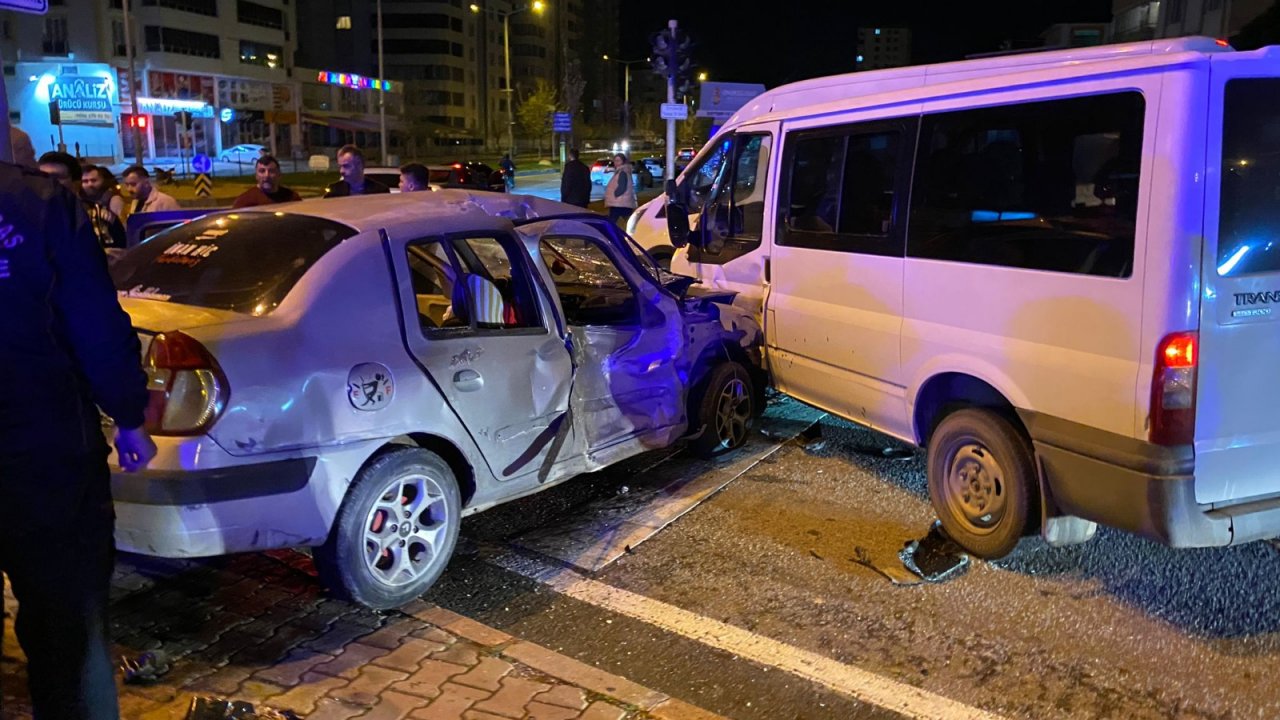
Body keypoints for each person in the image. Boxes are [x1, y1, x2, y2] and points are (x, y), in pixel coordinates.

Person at [0, 155, 156, 720]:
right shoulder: (37, 203)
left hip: (40, 444)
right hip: (42, 448)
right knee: (68, 622)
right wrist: (129, 415)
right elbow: (91, 318)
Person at [41, 154, 127, 251]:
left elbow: (120, 251)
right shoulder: (28, 218)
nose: (48, 181)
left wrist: (102, 255)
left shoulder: (100, 217)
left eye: (57, 177)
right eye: (42, 176)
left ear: (76, 182)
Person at [232, 154, 302, 208]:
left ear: (279, 175)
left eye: (271, 171)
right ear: (256, 175)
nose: (267, 175)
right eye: (262, 171)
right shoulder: (244, 201)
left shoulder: (291, 198)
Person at [324, 145, 390, 197]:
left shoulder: (380, 191)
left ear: (359, 165)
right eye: (340, 166)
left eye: (346, 166)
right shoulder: (334, 191)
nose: (341, 171)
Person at [603, 152, 638, 226]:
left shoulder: (622, 172)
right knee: (629, 222)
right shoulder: (622, 171)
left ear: (623, 162)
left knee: (612, 222)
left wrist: (615, 194)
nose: (616, 163)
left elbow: (622, 187)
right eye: (615, 160)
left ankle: (610, 235)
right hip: (622, 202)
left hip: (619, 202)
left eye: (618, 160)